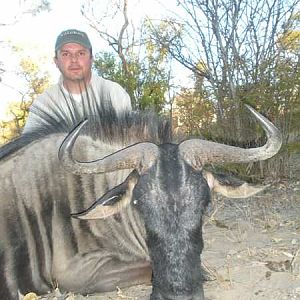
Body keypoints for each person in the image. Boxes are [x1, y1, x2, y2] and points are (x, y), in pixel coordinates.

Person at [23, 29, 132, 133]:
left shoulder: (114, 93)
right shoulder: (44, 104)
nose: (74, 60)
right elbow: (31, 149)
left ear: (91, 59)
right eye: (66, 54)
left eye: (81, 53)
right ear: (56, 61)